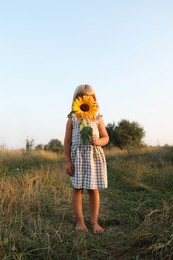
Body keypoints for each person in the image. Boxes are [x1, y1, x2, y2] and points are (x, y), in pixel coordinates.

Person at [64, 84, 109, 234]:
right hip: (77, 158)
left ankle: (94, 222)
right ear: (77, 100)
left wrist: (98, 141)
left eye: (89, 97)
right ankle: (80, 221)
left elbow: (106, 137)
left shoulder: (97, 118)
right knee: (77, 189)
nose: (86, 100)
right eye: (82, 97)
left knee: (93, 189)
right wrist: (68, 161)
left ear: (94, 100)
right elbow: (67, 141)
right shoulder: (72, 118)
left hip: (93, 158)